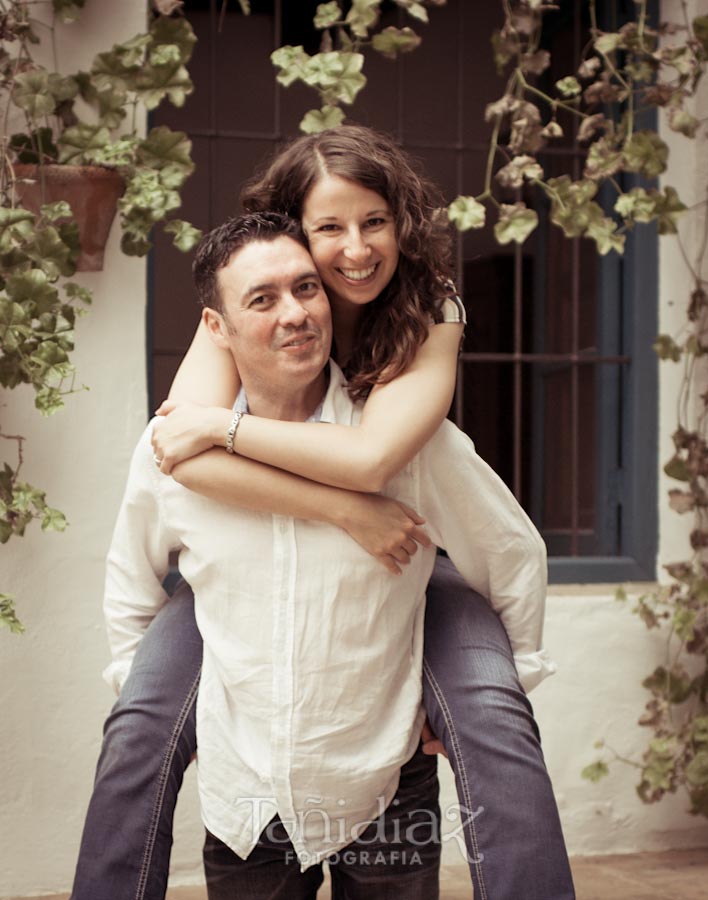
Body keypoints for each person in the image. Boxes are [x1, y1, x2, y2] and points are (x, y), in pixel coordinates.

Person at [71, 125, 575, 900]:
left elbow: (392, 469)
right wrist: (344, 511)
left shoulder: (426, 310)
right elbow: (179, 459)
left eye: (373, 222)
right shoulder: (251, 287)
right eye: (329, 230)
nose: (353, 252)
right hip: (254, 670)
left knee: (494, 714)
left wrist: (511, 665)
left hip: (411, 561)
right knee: (140, 719)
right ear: (294, 232)